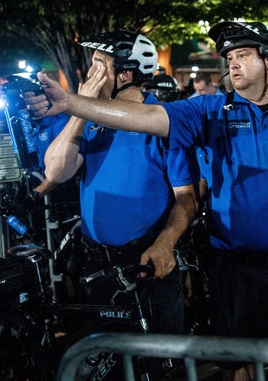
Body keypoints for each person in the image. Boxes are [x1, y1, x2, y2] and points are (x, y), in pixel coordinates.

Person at [27, 21, 268, 381]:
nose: (233, 63)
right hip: (236, 266)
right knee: (237, 363)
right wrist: (73, 103)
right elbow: (152, 117)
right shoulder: (210, 109)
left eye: (244, 54)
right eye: (230, 56)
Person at [43, 31, 200, 345]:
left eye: (99, 65)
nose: (89, 74)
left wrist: (165, 243)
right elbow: (57, 171)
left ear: (126, 74)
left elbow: (188, 199)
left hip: (145, 263)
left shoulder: (164, 122)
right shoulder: (90, 119)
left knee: (157, 362)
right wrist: (80, 109)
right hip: (95, 263)